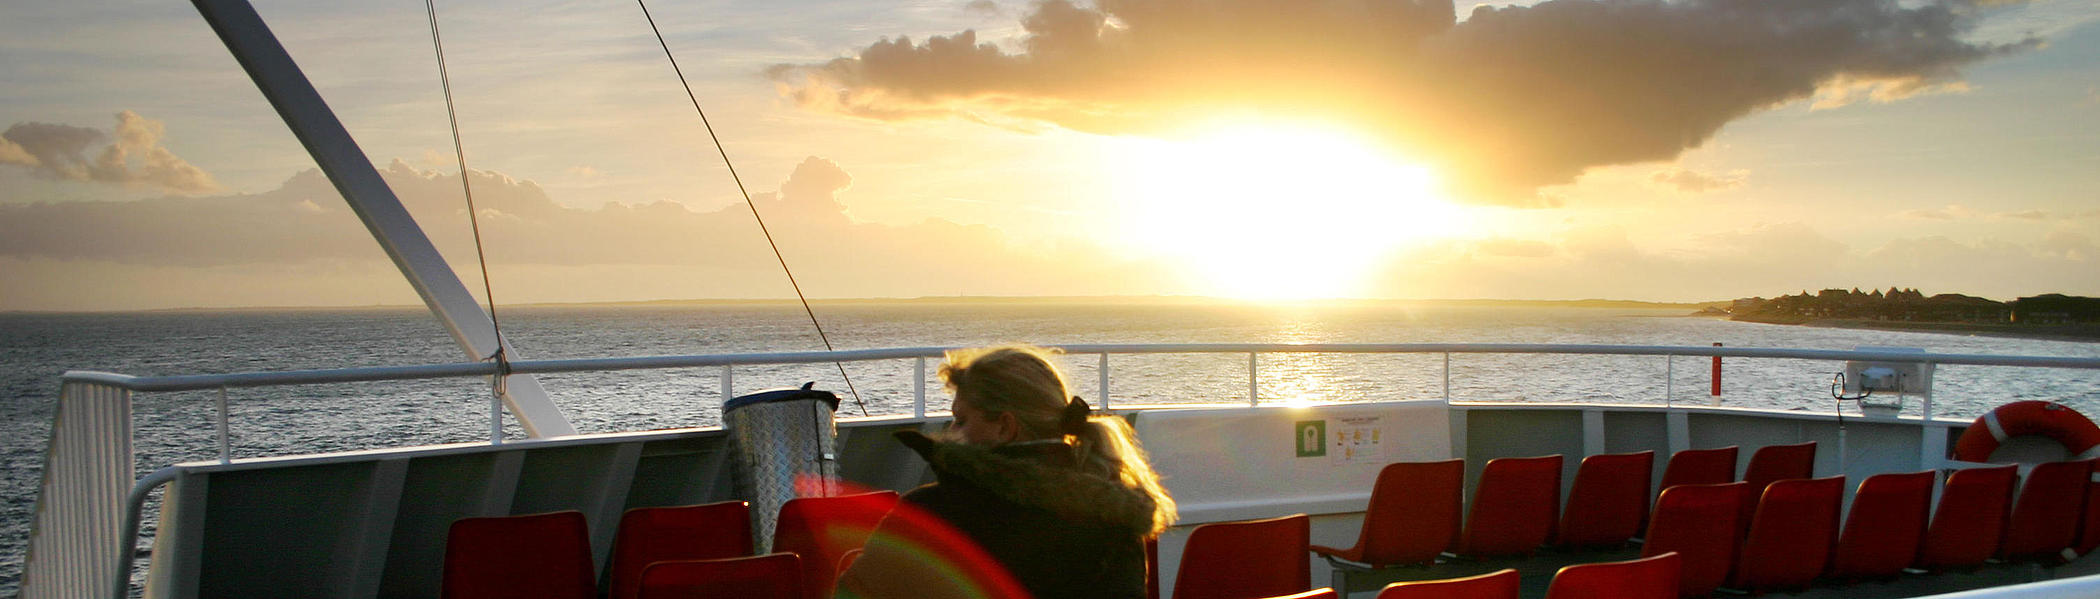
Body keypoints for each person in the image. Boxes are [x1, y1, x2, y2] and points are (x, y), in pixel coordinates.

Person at [834, 345, 1176, 599]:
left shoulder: (933, 513)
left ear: (1004, 427)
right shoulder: (1115, 516)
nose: (951, 433)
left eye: (962, 420)